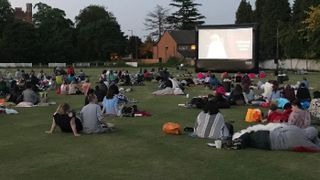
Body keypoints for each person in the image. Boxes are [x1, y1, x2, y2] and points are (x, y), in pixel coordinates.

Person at [232, 124, 320, 151]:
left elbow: (280, 127)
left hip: (269, 136)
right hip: (270, 146)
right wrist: (316, 140)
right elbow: (317, 148)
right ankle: (238, 143)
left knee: (250, 135)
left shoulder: (295, 129)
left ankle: (236, 142)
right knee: (251, 141)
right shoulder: (306, 143)